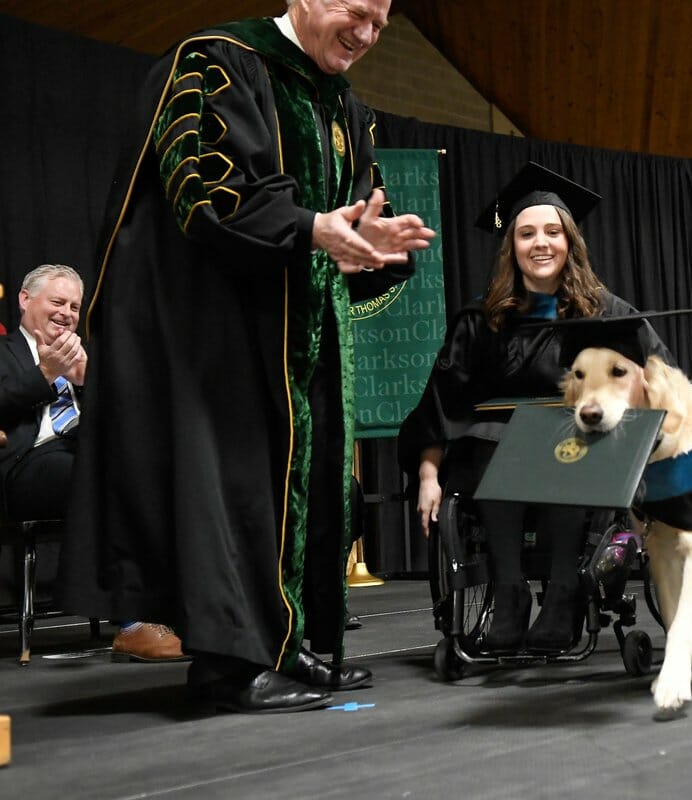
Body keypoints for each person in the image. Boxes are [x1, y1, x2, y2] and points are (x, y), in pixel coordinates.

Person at [59, 0, 436, 714]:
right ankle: (229, 666)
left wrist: (372, 246)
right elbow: (198, 189)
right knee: (230, 489)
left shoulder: (345, 107)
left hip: (295, 327)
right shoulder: (217, 60)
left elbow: (347, 219)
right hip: (211, 328)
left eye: (381, 24)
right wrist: (310, 227)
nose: (367, 34)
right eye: (356, 13)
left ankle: (286, 644)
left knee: (298, 487)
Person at [399, 162, 670, 652]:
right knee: (492, 441)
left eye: (552, 232)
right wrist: (426, 475)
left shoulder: (606, 315)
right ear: (513, 247)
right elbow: (441, 403)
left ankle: (565, 591)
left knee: (560, 441)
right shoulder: (481, 321)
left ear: (570, 243)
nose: (540, 243)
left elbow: (662, 381)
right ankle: (510, 594)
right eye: (526, 233)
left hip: (581, 455)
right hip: (492, 459)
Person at [0, 265, 187, 663]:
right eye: (57, 302)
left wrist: (87, 383)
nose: (67, 313)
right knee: (100, 477)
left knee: (161, 471)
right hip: (25, 465)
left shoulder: (86, 357)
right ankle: (133, 624)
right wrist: (46, 373)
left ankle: (180, 611)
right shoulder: (4, 352)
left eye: (74, 306)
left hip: (85, 453)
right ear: (24, 300)